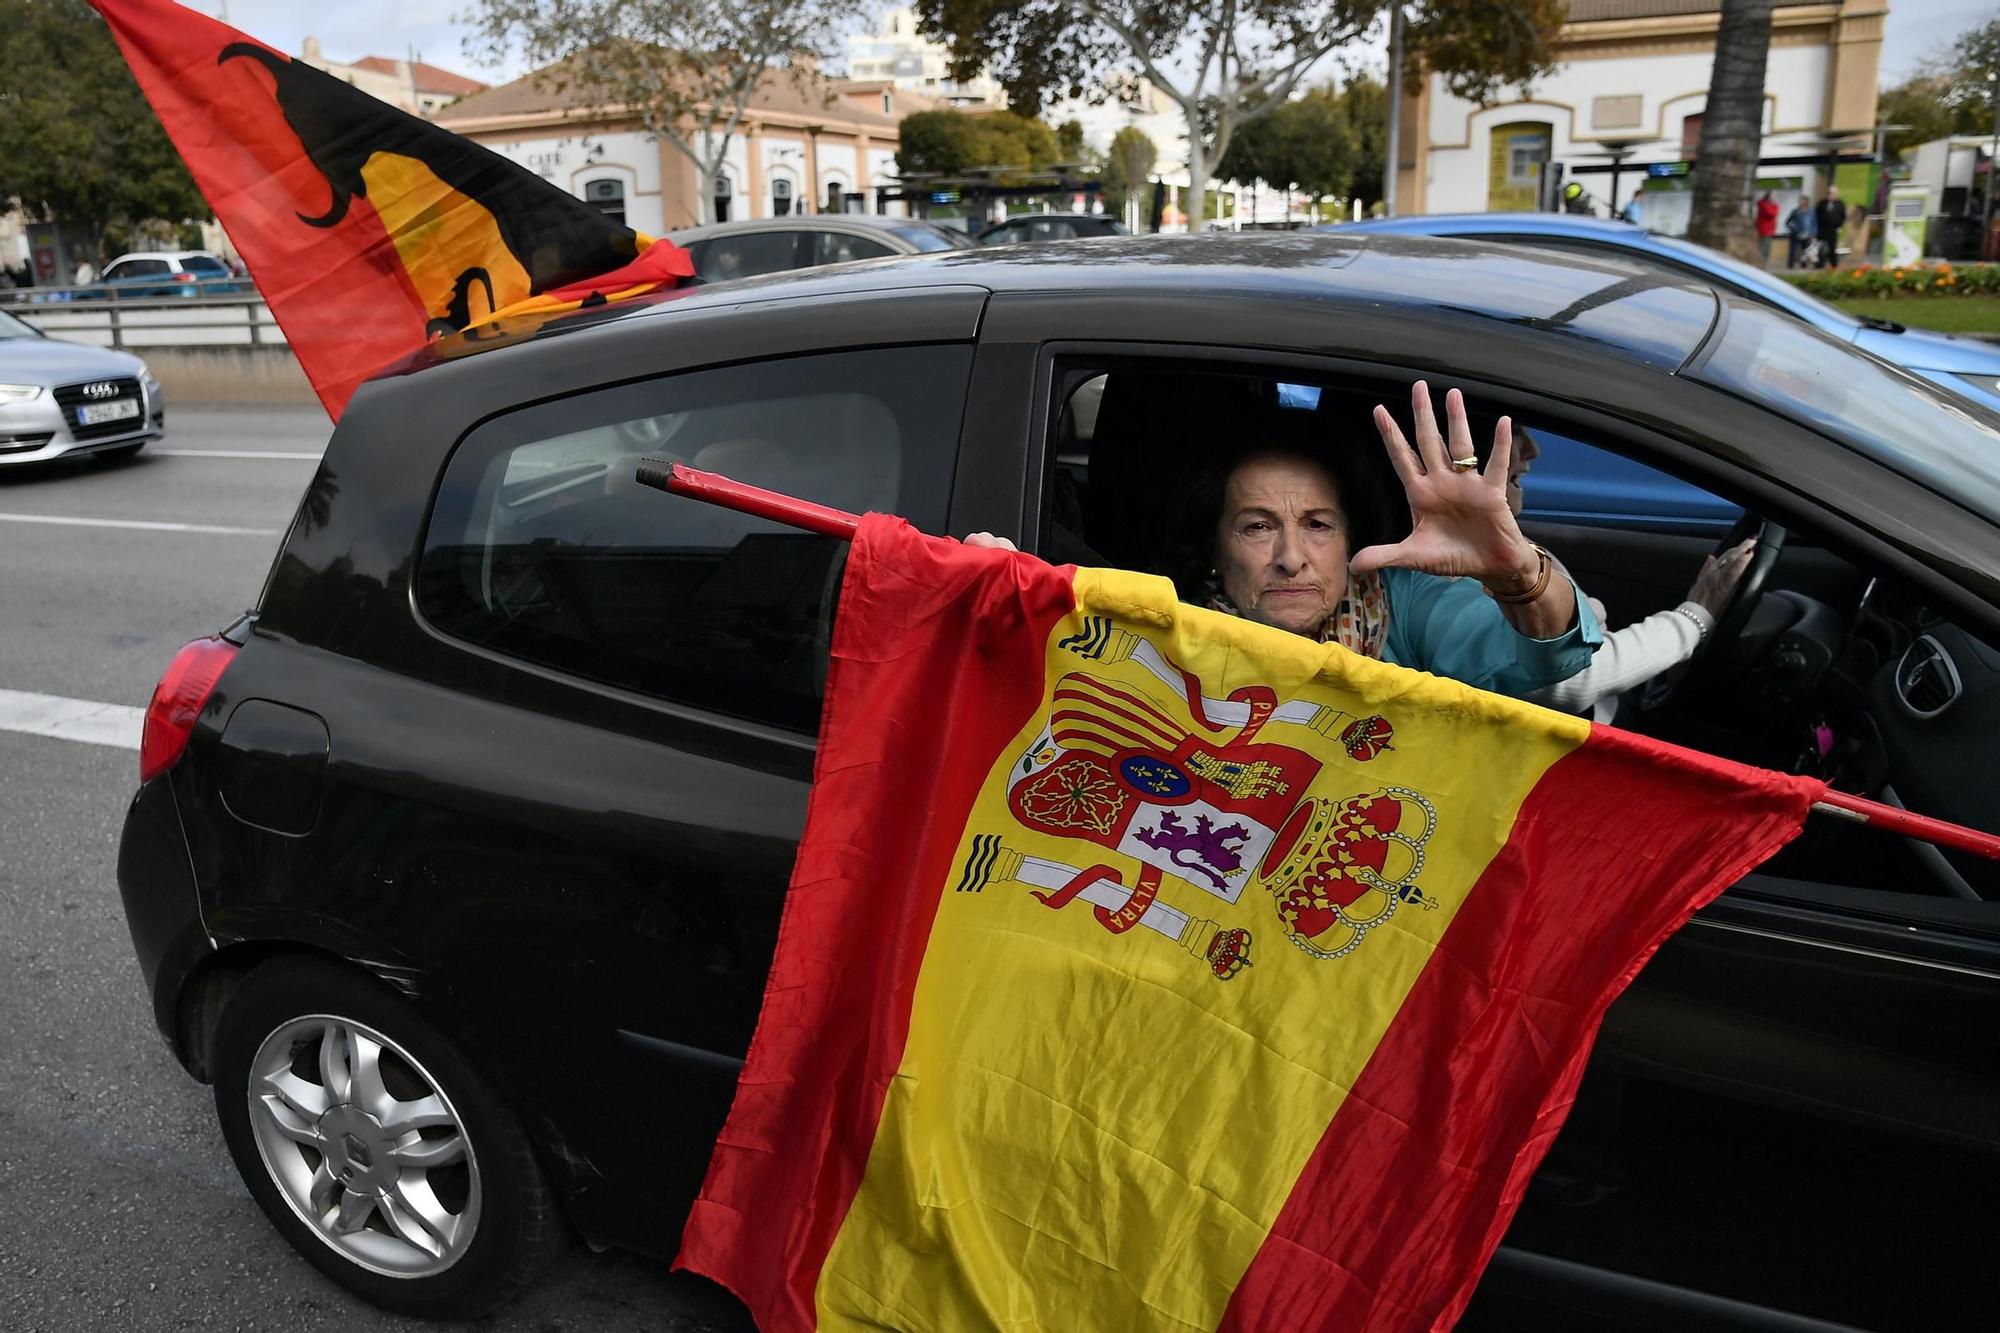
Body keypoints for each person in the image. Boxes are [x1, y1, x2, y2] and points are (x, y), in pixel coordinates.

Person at [970, 381, 1602, 698]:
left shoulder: (1401, 605)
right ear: (1215, 548)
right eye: (1257, 526)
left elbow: (1545, 656)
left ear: (1352, 536)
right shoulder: (1165, 629)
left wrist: (1515, 573)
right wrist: (1007, 596)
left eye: (1318, 525)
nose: (1291, 558)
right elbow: (1069, 641)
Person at [1502, 428, 1756, 721]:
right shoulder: (1461, 570)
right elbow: (1567, 680)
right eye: (1509, 429)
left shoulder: (1503, 547)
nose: (1533, 448)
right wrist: (1696, 615)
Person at [1813, 186, 1846, 270]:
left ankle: (1833, 265)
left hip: (1833, 229)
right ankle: (1820, 264)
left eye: (1832, 193)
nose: (1830, 195)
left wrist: (1839, 225)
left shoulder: (1840, 204)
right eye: (1829, 193)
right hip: (1822, 229)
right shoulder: (1822, 203)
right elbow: (1817, 215)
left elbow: (1843, 216)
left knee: (1832, 247)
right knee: (1821, 247)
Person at [1784, 194, 1814, 268]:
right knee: (1793, 250)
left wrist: (1813, 232)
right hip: (1795, 234)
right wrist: (1793, 228)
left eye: (1803, 201)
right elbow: (1788, 222)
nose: (1801, 203)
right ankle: (1790, 265)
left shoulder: (1810, 211)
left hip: (1806, 234)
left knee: (1805, 251)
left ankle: (1804, 265)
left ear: (1806, 202)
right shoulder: (1795, 211)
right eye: (1801, 201)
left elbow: (1814, 222)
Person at [1755, 191, 1779, 265]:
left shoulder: (1765, 204)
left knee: (1766, 249)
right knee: (1764, 249)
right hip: (1765, 230)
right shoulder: (1764, 205)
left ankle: (1762, 263)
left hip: (1768, 230)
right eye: (1774, 196)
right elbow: (1772, 214)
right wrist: (1775, 205)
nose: (1776, 198)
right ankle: (1761, 264)